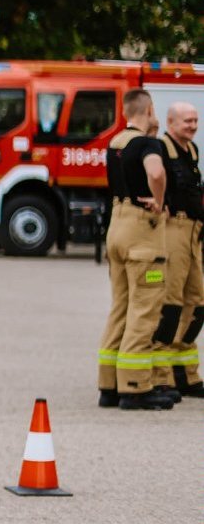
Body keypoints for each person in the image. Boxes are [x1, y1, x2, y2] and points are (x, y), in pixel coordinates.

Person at [97, 89, 171, 410]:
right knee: (144, 309)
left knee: (121, 308)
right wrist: (159, 199)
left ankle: (108, 386)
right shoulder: (147, 143)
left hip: (117, 226)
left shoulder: (116, 143)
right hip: (142, 231)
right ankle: (135, 387)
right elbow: (155, 171)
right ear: (149, 109)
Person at [153, 102, 204, 402]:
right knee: (170, 303)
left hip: (194, 232)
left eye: (196, 120)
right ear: (171, 122)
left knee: (197, 302)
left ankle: (186, 374)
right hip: (172, 231)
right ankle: (162, 376)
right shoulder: (161, 148)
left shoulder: (192, 150)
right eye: (187, 121)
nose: (193, 126)